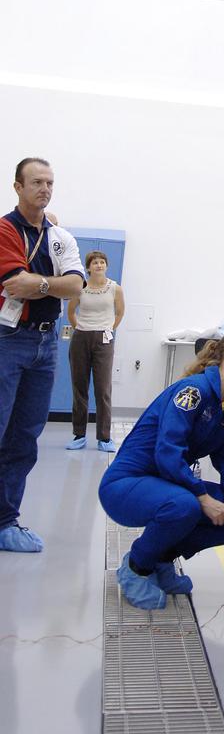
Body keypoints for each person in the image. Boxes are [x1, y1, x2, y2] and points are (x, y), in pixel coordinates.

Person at [99, 327, 224, 609]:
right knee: (185, 505)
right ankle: (136, 567)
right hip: (126, 485)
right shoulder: (193, 391)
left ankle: (161, 559)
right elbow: (167, 452)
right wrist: (203, 498)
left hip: (168, 486)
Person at [0, 157, 85, 553]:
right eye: (36, 182)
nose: (44, 188)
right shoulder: (4, 229)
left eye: (49, 182)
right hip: (8, 340)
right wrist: (54, 284)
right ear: (18, 186)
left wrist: (42, 284)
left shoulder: (60, 237)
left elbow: (76, 287)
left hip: (45, 344)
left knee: (24, 437)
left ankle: (5, 521)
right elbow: (16, 284)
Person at [66, 250, 125, 453]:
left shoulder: (115, 288)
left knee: (103, 389)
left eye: (102, 262)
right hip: (81, 337)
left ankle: (104, 437)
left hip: (104, 339)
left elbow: (120, 312)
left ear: (106, 266)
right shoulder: (80, 287)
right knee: (79, 387)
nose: (99, 265)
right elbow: (71, 311)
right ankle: (79, 434)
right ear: (88, 267)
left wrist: (108, 328)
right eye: (95, 262)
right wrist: (81, 329)